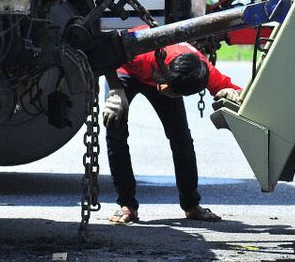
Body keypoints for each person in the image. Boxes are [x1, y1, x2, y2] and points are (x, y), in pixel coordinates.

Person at [102, 42, 242, 225]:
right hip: (126, 72)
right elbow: (107, 58)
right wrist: (115, 90)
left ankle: (191, 205)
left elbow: (236, 91)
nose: (161, 90)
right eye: (166, 87)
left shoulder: (201, 70)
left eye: (172, 93)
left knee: (181, 138)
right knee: (116, 132)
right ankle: (127, 205)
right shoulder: (140, 52)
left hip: (166, 76)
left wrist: (230, 93)